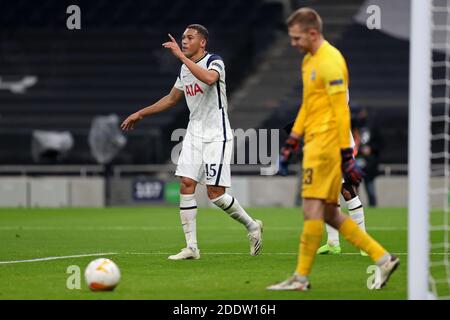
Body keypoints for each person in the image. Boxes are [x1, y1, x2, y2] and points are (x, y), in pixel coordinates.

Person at [267, 8, 399, 291]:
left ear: (312, 33)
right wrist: (292, 141)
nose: (292, 43)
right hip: (314, 142)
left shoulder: (330, 61)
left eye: (296, 37)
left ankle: (300, 277)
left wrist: (346, 155)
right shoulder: (308, 61)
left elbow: (341, 112)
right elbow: (308, 105)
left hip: (327, 147)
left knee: (312, 209)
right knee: (328, 212)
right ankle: (383, 258)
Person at [121, 24, 263, 260]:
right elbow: (171, 99)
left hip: (217, 134)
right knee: (186, 183)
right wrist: (141, 113)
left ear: (203, 42)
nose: (184, 41)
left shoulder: (215, 61)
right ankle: (192, 247)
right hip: (194, 133)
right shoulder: (184, 71)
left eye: (189, 37)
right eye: (183, 38)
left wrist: (180, 57)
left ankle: (252, 226)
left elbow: (208, 79)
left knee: (215, 194)